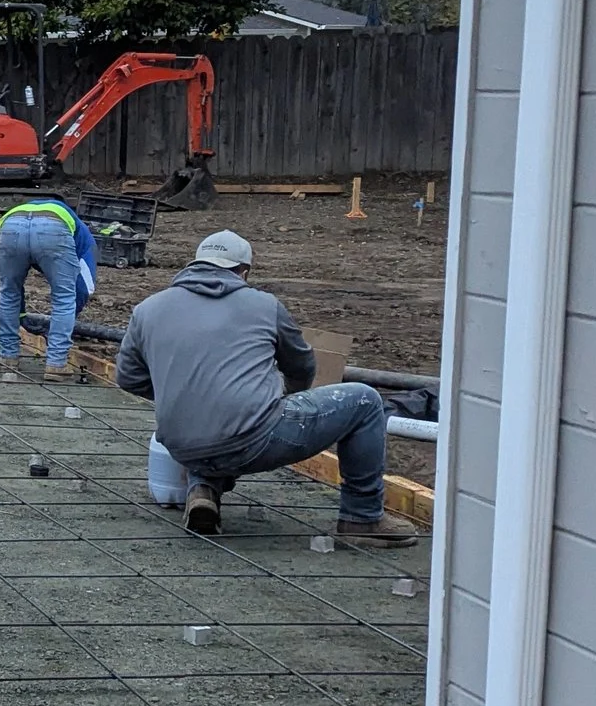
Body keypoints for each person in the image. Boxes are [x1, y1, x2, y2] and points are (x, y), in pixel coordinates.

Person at [114, 230, 418, 547]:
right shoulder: (264, 305)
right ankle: (363, 517)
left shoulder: (148, 309)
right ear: (243, 271)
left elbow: (128, 377)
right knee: (365, 401)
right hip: (252, 441)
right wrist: (290, 398)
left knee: (212, 419)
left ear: (195, 265)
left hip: (182, 446)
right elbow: (302, 366)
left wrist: (176, 392)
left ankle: (203, 489)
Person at [0, 197, 97, 383]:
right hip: (53, 228)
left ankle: (8, 359)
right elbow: (82, 290)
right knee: (64, 297)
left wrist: (23, 316)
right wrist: (55, 331)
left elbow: (16, 292)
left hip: (11, 224)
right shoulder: (87, 243)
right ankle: (56, 364)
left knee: (9, 292)